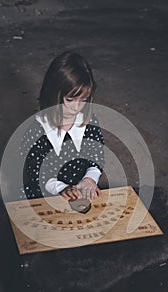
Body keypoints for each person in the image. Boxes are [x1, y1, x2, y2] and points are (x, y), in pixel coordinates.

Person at [19, 51, 105, 201]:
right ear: (53, 93)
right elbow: (36, 173)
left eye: (83, 99)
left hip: (81, 187)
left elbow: (96, 157)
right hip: (47, 190)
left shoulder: (89, 121)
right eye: (70, 99)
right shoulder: (37, 130)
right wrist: (62, 188)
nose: (76, 107)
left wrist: (90, 179)